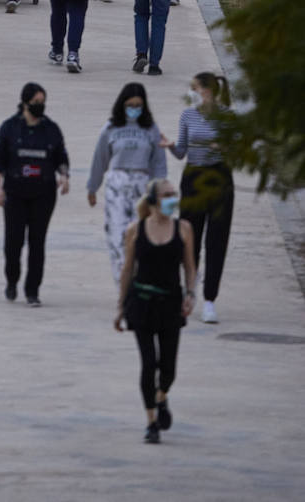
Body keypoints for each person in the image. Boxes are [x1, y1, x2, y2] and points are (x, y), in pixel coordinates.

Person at [115, 177, 196, 442]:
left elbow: (190, 266)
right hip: (142, 303)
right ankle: (151, 422)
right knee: (148, 364)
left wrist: (191, 293)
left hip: (171, 304)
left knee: (168, 367)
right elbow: (128, 269)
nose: (173, 198)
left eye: (175, 193)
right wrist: (120, 306)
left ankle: (162, 397)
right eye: (167, 195)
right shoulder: (135, 230)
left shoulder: (183, 228)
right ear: (152, 200)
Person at [161, 72, 234, 325]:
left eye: (195, 88)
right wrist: (170, 145)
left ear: (208, 91)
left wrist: (222, 147)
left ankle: (210, 299)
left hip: (218, 180)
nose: (192, 93)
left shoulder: (226, 115)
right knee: (189, 238)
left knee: (216, 240)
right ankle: (187, 291)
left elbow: (236, 149)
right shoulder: (188, 115)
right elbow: (182, 152)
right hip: (193, 177)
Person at [0, 82, 69, 306]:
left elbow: (61, 157)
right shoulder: (9, 128)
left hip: (43, 194)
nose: (39, 107)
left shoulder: (51, 129)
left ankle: (32, 290)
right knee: (13, 242)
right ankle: (12, 281)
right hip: (15, 193)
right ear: (25, 103)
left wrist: (64, 176)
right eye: (35, 103)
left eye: (42, 103)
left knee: (37, 242)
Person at [87, 84, 167, 282]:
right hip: (117, 185)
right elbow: (100, 159)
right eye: (130, 105)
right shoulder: (111, 128)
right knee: (118, 235)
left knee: (142, 235)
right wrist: (92, 187)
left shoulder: (150, 128)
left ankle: (139, 282)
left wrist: (161, 191)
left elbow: (158, 162)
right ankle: (123, 287)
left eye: (138, 105)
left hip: (143, 186)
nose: (134, 109)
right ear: (122, 104)